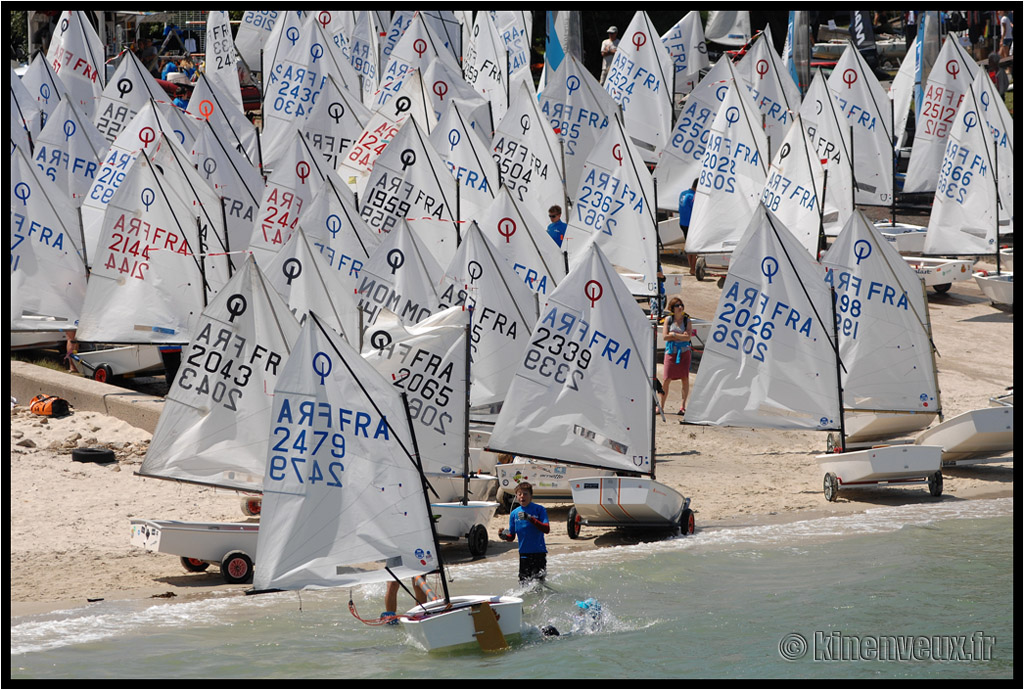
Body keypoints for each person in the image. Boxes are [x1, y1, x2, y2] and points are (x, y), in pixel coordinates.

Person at [498, 482, 549, 586]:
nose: (522, 497)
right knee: (523, 584)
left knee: (538, 584)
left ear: (531, 496)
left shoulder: (539, 510)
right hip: (524, 555)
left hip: (538, 554)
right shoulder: (514, 514)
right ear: (516, 497)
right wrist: (503, 535)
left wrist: (530, 518)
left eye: (525, 494)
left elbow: (546, 529)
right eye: (519, 494)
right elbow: (511, 536)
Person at [661, 297, 692, 416]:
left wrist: (673, 335)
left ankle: (683, 406)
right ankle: (661, 406)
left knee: (684, 378)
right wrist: (679, 335)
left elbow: (688, 337)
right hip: (670, 352)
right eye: (678, 305)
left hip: (684, 353)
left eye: (682, 305)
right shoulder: (668, 320)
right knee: (666, 379)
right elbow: (664, 337)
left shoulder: (686, 320)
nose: (680, 307)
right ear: (672, 308)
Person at [679, 179, 698, 275]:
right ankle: (693, 269)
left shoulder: (683, 193)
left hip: (682, 223)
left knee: (688, 245)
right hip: (690, 224)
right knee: (693, 247)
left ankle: (691, 267)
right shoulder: (693, 197)